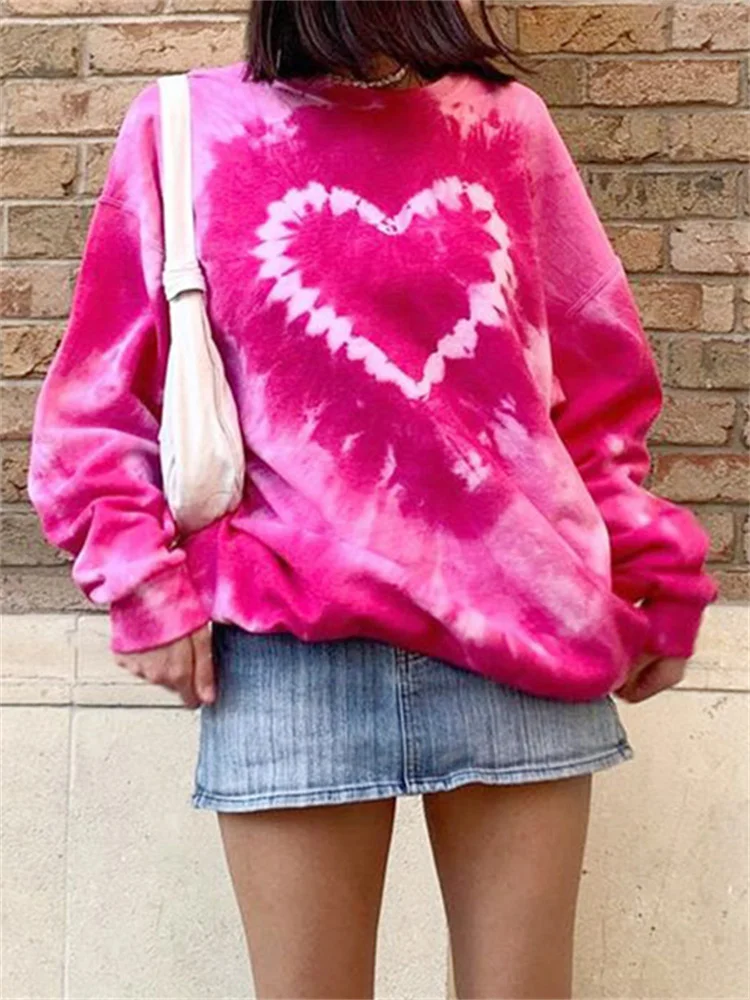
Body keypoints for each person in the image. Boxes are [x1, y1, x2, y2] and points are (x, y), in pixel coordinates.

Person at [28, 1, 717, 997]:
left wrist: (654, 567)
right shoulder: (184, 128)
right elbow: (96, 400)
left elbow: (597, 381)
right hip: (290, 653)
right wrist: (140, 581)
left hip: (523, 631)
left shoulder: (506, 124)